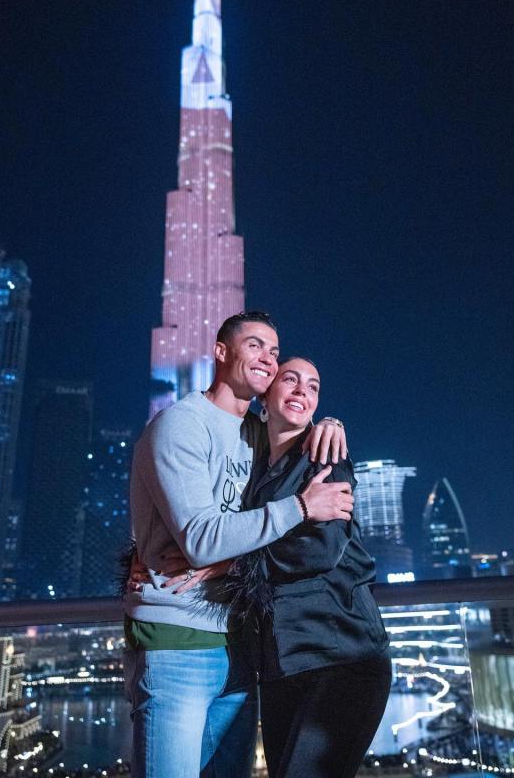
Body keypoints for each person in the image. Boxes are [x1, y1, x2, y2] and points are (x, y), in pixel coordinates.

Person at [123, 311, 352, 778]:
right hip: (177, 643)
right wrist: (302, 508)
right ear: (221, 352)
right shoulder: (180, 425)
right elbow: (203, 541)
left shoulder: (257, 435)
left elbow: (297, 421)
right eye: (255, 345)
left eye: (273, 350)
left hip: (242, 646)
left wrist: (329, 422)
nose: (267, 358)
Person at [229, 356, 392, 778]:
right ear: (267, 392)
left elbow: (318, 551)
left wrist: (231, 557)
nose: (303, 390)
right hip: (281, 665)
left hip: (343, 658)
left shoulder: (324, 457)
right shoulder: (251, 464)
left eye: (314, 386)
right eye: (291, 380)